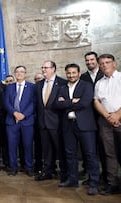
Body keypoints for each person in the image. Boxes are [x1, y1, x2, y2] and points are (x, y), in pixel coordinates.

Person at [54, 63, 99, 195]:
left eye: (74, 72)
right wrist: (73, 101)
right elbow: (57, 104)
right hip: (68, 125)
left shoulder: (87, 86)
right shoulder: (62, 88)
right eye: (69, 73)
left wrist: (66, 103)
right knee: (70, 154)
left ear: (79, 73)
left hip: (85, 125)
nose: (71, 75)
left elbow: (85, 103)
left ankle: (93, 183)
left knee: (90, 154)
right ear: (66, 74)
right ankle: (72, 179)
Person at [35, 60, 67, 182]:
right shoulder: (39, 85)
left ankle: (64, 173)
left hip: (57, 122)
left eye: (46, 68)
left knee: (60, 148)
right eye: (42, 67)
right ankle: (47, 171)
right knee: (46, 149)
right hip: (43, 122)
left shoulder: (63, 83)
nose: (43, 70)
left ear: (53, 69)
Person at [94, 54, 121, 195]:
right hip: (105, 121)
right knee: (109, 153)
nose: (105, 65)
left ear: (114, 64)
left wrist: (117, 115)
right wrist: (106, 115)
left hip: (120, 117)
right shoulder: (99, 83)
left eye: (107, 62)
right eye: (102, 63)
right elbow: (96, 101)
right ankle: (112, 183)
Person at [80, 51, 106, 185]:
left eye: (92, 60)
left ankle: (106, 176)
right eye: (87, 60)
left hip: (103, 117)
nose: (89, 62)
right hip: (87, 117)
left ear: (96, 60)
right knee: (89, 150)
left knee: (104, 149)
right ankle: (90, 175)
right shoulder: (83, 77)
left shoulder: (105, 75)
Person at [4, 66, 35, 177]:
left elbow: (33, 103)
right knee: (12, 146)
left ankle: (29, 167)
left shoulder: (32, 87)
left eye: (22, 72)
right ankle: (13, 168)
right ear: (15, 74)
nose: (19, 73)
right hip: (12, 121)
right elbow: (6, 102)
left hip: (27, 121)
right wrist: (14, 113)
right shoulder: (9, 87)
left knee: (27, 145)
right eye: (17, 72)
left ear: (25, 74)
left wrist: (23, 115)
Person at [33, 73, 44, 173]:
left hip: (47, 121)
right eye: (36, 79)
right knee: (38, 146)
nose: (38, 81)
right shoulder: (33, 89)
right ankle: (38, 166)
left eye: (40, 78)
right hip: (35, 122)